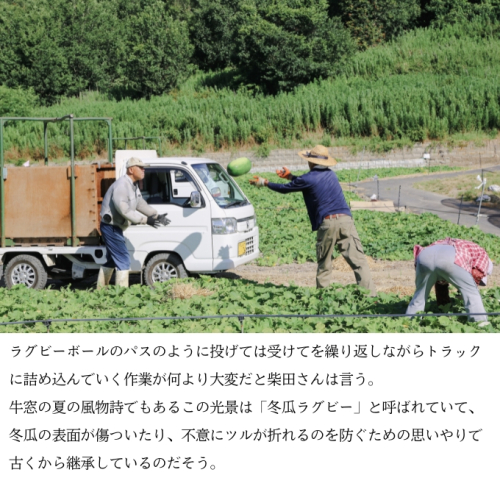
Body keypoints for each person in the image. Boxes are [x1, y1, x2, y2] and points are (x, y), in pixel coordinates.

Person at [249, 144, 376, 294]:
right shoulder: (331, 175)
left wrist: (265, 182)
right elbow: (306, 182)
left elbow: (286, 188)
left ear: (311, 162)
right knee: (359, 261)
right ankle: (370, 296)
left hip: (328, 223)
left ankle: (322, 299)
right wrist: (290, 176)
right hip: (346, 220)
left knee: (324, 264)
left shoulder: (308, 178)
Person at [97, 157, 164, 288]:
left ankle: (101, 291)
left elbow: (139, 203)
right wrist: (145, 220)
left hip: (115, 226)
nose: (144, 170)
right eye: (141, 167)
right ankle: (122, 294)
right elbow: (124, 210)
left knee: (111, 261)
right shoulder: (122, 186)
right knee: (124, 260)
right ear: (131, 170)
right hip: (111, 227)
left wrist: (155, 215)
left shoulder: (133, 185)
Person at [406, 237, 493, 325]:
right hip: (450, 258)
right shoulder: (483, 255)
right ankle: (479, 322)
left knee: (419, 295)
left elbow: (441, 283)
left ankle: (410, 322)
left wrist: (444, 306)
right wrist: (464, 291)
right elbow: (476, 274)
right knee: (472, 293)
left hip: (424, 256)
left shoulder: (461, 245)